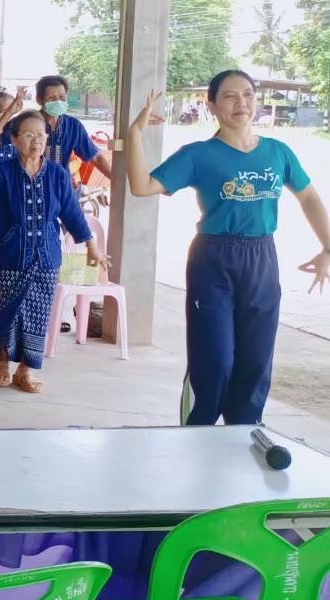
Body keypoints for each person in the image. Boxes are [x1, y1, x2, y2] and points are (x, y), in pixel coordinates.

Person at [128, 71, 329, 425]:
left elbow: (309, 197)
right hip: (213, 259)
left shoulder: (278, 152)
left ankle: (243, 433)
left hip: (262, 259)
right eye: (230, 96)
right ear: (212, 105)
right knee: (215, 361)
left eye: (248, 94)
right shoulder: (198, 155)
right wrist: (134, 134)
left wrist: (328, 248)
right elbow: (142, 186)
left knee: (255, 362)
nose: (242, 103)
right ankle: (197, 433)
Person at [0, 111, 107, 393]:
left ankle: (25, 370)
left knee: (39, 314)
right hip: (11, 255)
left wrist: (91, 245)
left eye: (41, 135)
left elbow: (72, 212)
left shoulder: (56, 174)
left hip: (47, 257)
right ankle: (1, 358)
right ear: (14, 139)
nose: (36, 140)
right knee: (10, 310)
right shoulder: (4, 171)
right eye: (29, 135)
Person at [36, 74, 112, 177]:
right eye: (51, 98)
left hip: (62, 184)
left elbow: (95, 157)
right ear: (39, 100)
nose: (58, 102)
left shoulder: (73, 126)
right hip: (32, 185)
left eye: (62, 97)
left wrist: (117, 181)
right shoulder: (27, 124)